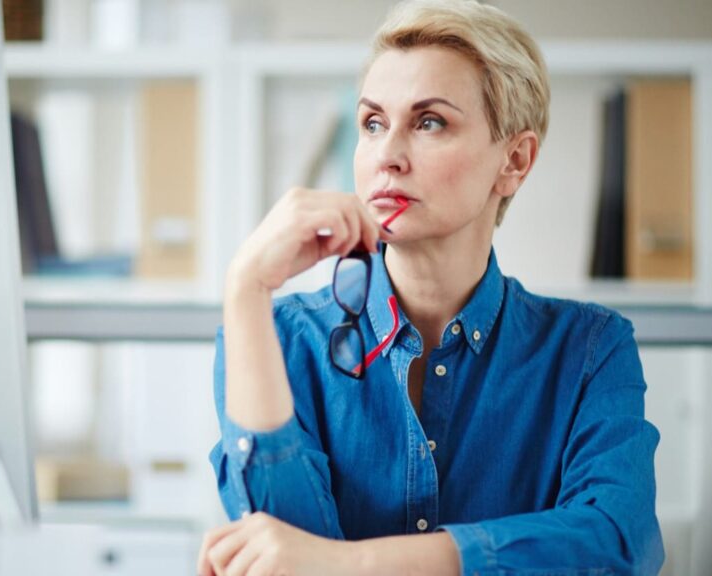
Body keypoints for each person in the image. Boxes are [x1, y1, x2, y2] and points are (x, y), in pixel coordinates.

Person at [198, 0, 665, 574]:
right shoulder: (273, 338)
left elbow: (617, 543)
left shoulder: (591, 349)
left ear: (514, 161)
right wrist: (245, 286)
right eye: (373, 124)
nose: (387, 157)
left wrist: (352, 563)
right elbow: (279, 562)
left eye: (429, 122)